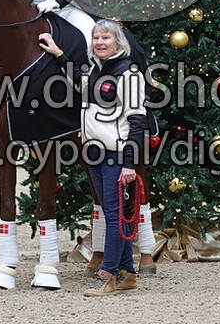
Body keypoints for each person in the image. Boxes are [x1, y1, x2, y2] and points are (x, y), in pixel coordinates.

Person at [39, 19, 147, 297]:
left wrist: (129, 164)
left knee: (113, 217)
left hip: (116, 155)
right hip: (95, 153)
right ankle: (127, 273)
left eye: (106, 38)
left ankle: (107, 274)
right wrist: (58, 53)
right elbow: (76, 79)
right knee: (116, 216)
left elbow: (137, 123)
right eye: (96, 38)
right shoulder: (96, 72)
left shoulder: (129, 74)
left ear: (118, 42)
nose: (100, 42)